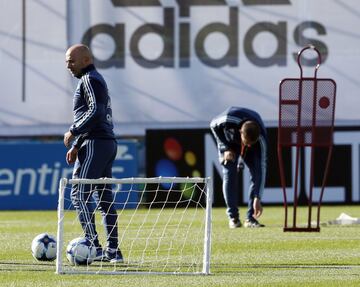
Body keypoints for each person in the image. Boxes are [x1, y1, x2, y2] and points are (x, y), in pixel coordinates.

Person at [63, 44, 123, 262]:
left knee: (79, 194)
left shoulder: (89, 79)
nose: (68, 65)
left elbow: (95, 112)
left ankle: (94, 248)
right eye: (67, 61)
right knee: (104, 198)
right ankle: (114, 252)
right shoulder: (94, 79)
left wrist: (74, 131)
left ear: (86, 60)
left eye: (71, 60)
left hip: (96, 143)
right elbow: (95, 113)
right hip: (104, 142)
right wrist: (77, 144)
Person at [210, 106, 268, 228]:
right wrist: (225, 147)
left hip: (247, 139)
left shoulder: (261, 139)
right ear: (240, 132)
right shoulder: (227, 119)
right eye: (246, 143)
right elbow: (213, 125)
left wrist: (258, 197)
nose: (248, 146)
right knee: (229, 173)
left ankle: (250, 218)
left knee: (256, 172)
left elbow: (261, 168)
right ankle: (233, 217)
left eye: (251, 144)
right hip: (229, 141)